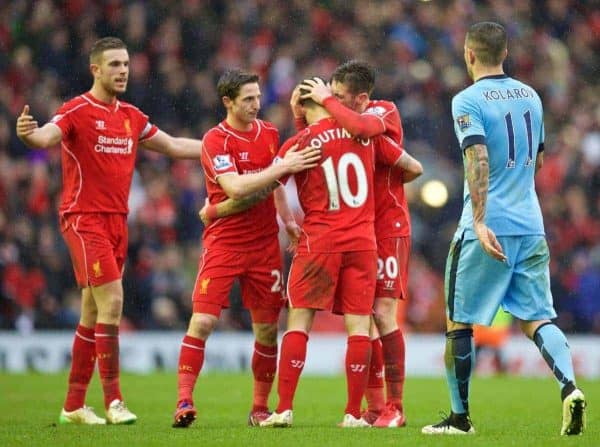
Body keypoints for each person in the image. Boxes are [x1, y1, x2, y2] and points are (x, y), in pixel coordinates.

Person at [15, 37, 204, 425]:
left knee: (91, 311)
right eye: (114, 64)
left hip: (117, 222)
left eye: (126, 64)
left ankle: (72, 406)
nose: (122, 71)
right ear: (95, 69)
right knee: (113, 302)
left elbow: (172, 145)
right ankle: (114, 400)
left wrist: (221, 148)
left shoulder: (131, 116)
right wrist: (28, 136)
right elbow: (47, 136)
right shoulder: (76, 110)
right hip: (84, 218)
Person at [420, 22, 586, 436]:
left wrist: (478, 219)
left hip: (487, 226)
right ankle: (570, 388)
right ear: (505, 52)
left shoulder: (467, 99)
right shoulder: (531, 95)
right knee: (537, 318)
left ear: (469, 54)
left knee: (459, 321)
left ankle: (460, 420)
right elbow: (539, 160)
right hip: (530, 224)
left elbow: (477, 156)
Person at [258, 83, 420, 428]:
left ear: (300, 107)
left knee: (299, 320)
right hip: (363, 242)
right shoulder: (363, 135)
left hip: (320, 240)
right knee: (360, 325)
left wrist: (288, 222)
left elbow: (272, 182)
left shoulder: (299, 143)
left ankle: (284, 408)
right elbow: (411, 166)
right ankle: (352, 413)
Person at [172, 69, 320, 428]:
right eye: (248, 99)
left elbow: (277, 185)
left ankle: (259, 409)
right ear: (228, 102)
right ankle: (184, 400)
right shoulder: (215, 140)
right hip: (224, 243)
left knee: (267, 330)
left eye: (257, 97)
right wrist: (281, 167)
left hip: (264, 246)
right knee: (204, 320)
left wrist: (286, 221)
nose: (256, 105)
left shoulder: (268, 133)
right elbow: (235, 188)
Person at [299, 61, 422, 427]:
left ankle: (396, 407)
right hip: (358, 231)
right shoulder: (342, 121)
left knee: (383, 314)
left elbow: (365, 128)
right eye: (329, 94)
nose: (330, 101)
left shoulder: (383, 111)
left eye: (337, 96)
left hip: (388, 227)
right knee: (362, 320)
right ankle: (373, 407)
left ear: (362, 98)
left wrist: (326, 102)